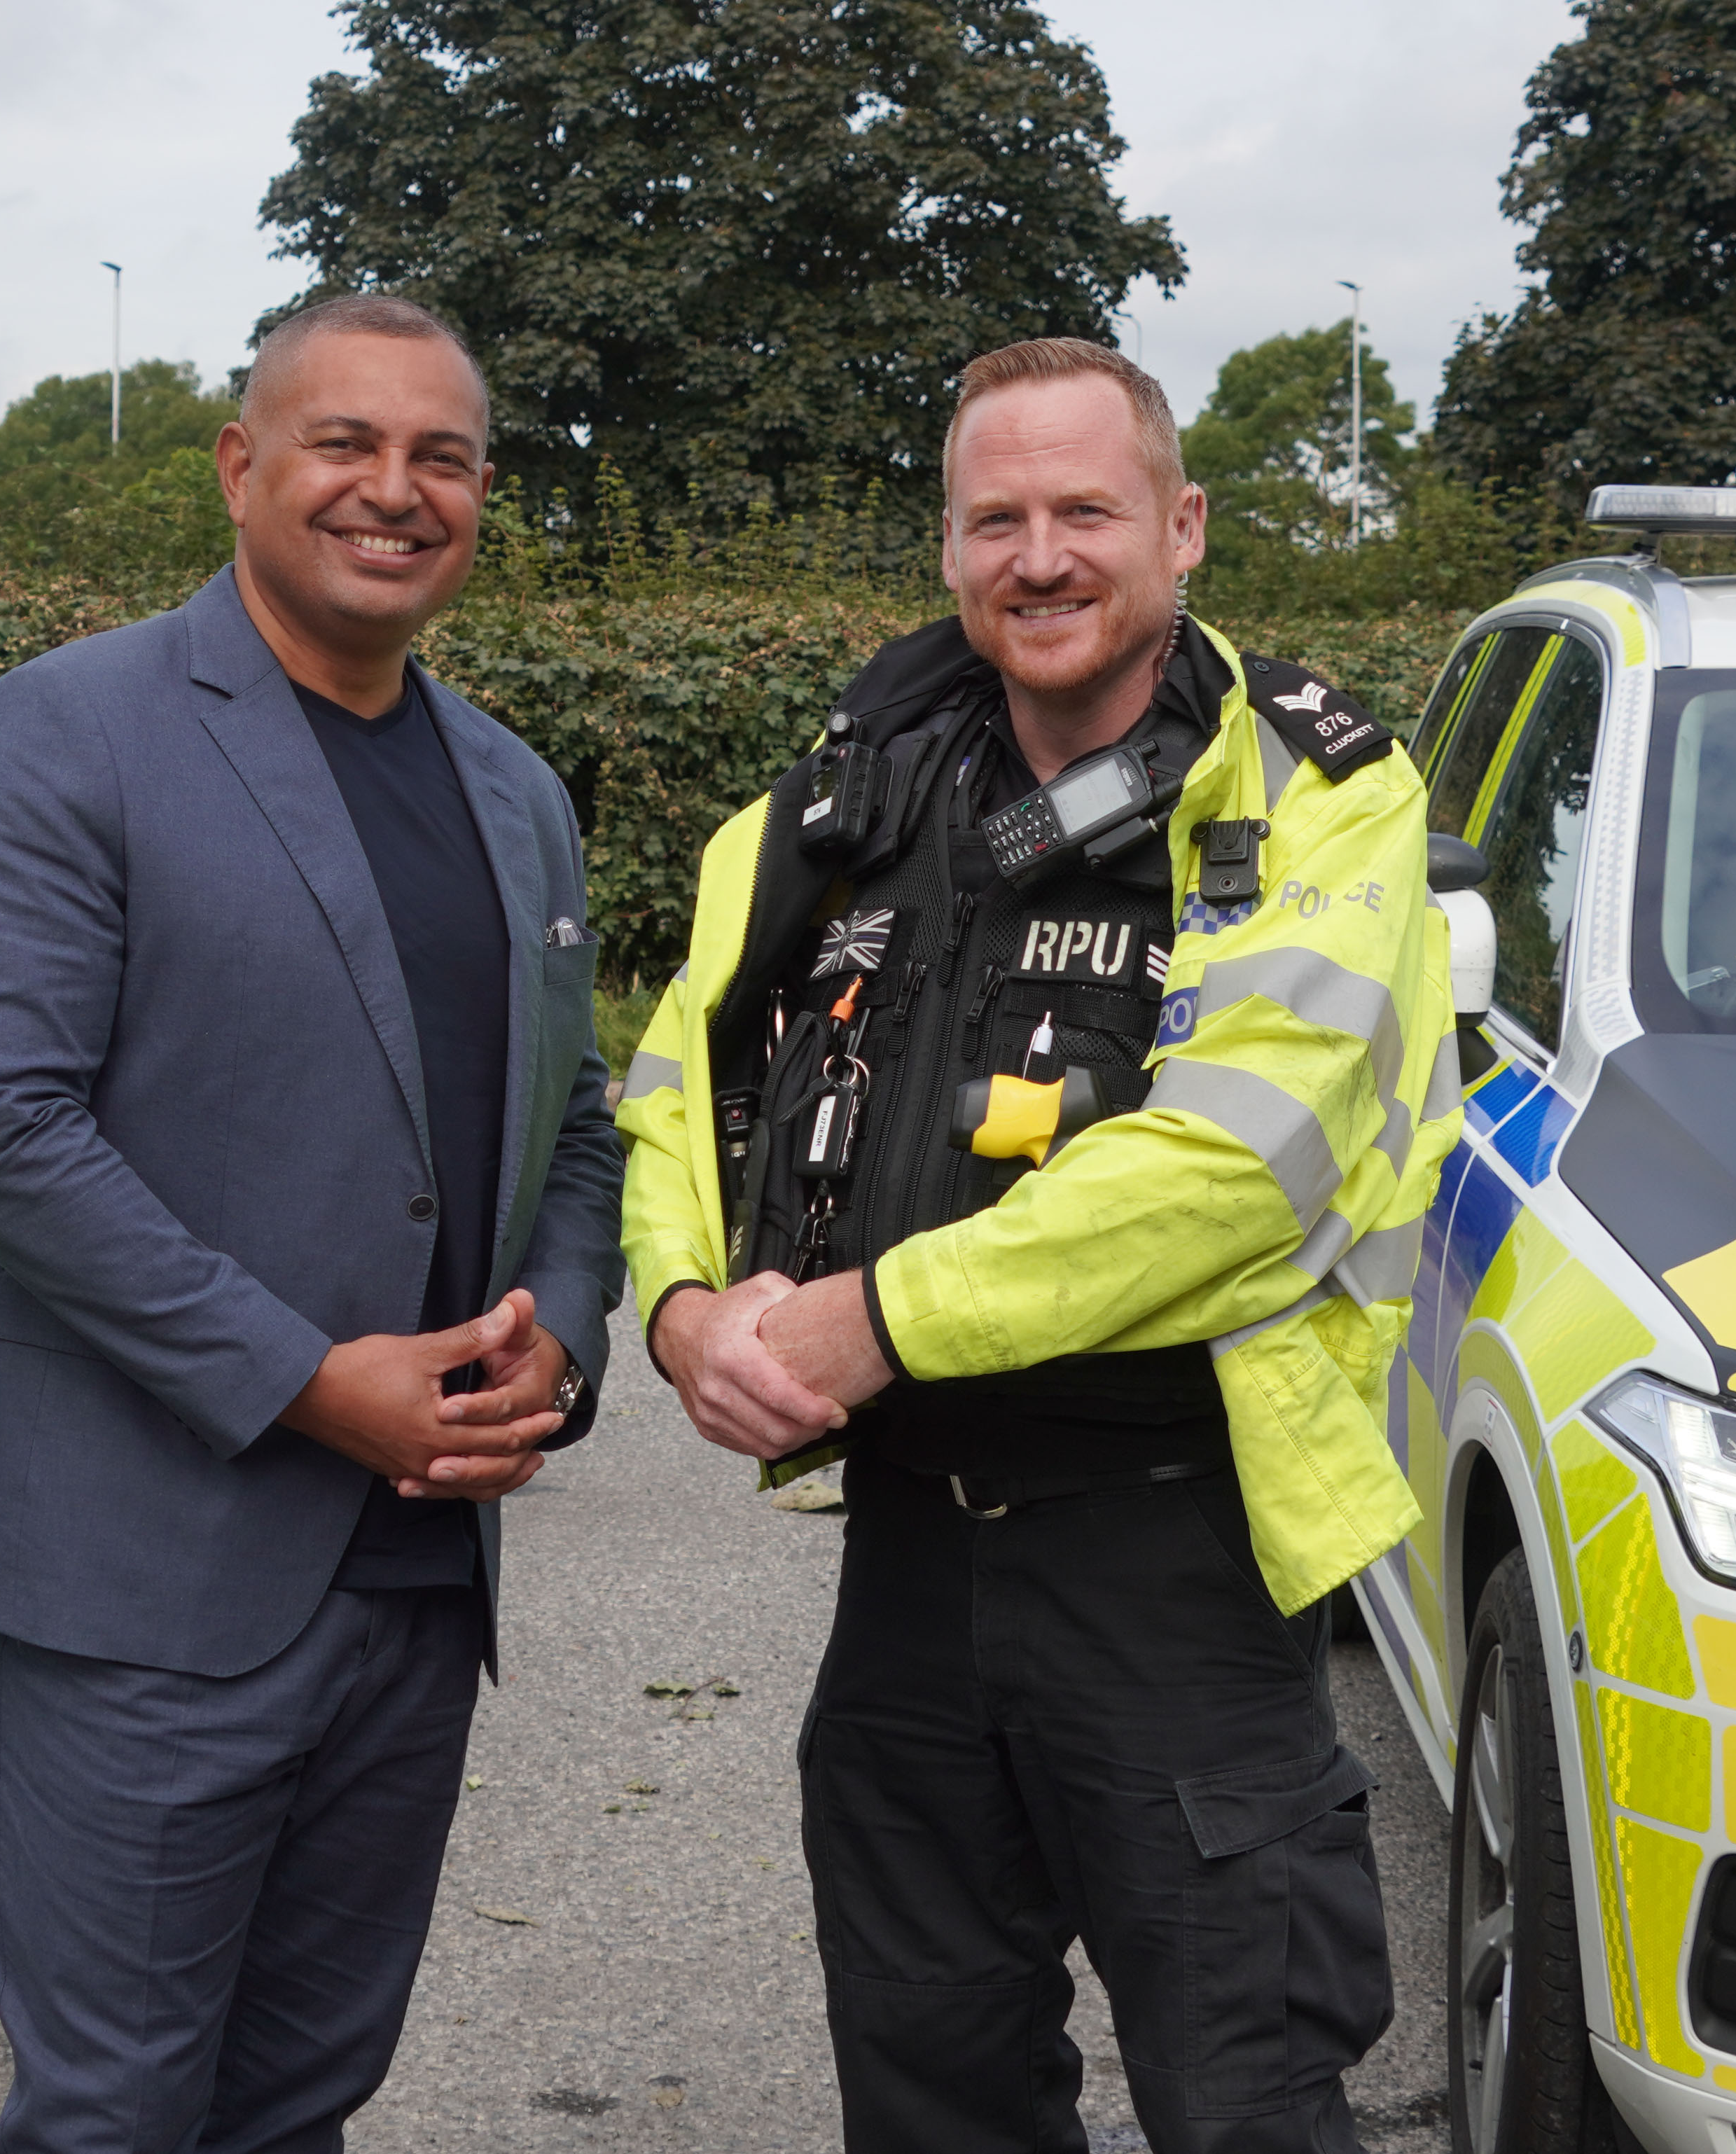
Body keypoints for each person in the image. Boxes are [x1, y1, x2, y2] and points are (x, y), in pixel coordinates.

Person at [616, 338, 1457, 2154]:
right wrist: (682, 1306)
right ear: (947, 548)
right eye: (994, 519)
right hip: (910, 1560)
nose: (1041, 556)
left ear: (1183, 526)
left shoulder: (1316, 796)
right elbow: (685, 1065)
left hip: (1180, 1553)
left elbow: (1235, 1164)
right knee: (931, 2093)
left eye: (1087, 510)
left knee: (1246, 2104)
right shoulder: (845, 797)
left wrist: (869, 1320)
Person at [0, 293, 623, 2154]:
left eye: (442, 456)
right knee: (115, 2109)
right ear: (239, 466)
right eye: (344, 443)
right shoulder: (72, 731)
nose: (396, 489)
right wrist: (303, 1378)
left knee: (301, 2096)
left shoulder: (515, 793)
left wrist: (556, 1330)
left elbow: (576, 1124)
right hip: (148, 1580)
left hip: (416, 1579)